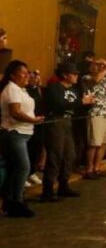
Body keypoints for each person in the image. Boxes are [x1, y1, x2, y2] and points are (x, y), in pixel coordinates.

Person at [41, 63, 94, 201]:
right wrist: (80, 102)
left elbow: (76, 108)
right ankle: (47, 190)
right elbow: (58, 105)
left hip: (68, 123)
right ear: (65, 74)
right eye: (74, 74)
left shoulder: (73, 89)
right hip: (56, 122)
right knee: (55, 155)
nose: (77, 76)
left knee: (69, 154)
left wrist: (88, 104)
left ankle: (63, 185)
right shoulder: (55, 88)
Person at [0, 60, 44, 217]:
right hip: (14, 133)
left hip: (22, 133)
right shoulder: (12, 89)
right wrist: (33, 120)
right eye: (23, 73)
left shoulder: (21, 90)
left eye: (28, 73)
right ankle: (17, 202)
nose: (27, 76)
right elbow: (15, 112)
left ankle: (10, 201)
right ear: (13, 75)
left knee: (14, 169)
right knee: (23, 167)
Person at [84, 59, 106, 179]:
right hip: (96, 113)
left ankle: (97, 167)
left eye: (101, 66)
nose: (100, 67)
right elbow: (97, 78)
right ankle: (89, 169)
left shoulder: (105, 79)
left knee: (104, 142)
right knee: (94, 143)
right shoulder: (87, 78)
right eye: (98, 65)